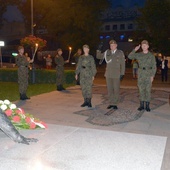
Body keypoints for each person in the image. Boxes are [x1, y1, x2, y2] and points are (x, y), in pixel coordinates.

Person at [96, 40, 125, 110]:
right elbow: (98, 56)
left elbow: (123, 64)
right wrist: (98, 49)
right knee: (109, 90)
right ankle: (111, 103)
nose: (112, 46)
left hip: (116, 74)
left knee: (116, 89)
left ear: (116, 45)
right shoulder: (107, 52)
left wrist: (122, 73)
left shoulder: (120, 53)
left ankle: (115, 103)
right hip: (108, 74)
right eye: (111, 45)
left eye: (113, 45)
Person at [128, 40, 156, 112]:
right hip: (141, 74)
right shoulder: (139, 54)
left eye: (145, 45)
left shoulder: (151, 56)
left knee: (148, 90)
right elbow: (130, 56)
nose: (144, 46)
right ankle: (141, 105)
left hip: (148, 74)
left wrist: (152, 75)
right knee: (141, 90)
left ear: (148, 46)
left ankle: (147, 105)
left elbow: (154, 66)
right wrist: (135, 49)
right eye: (142, 45)